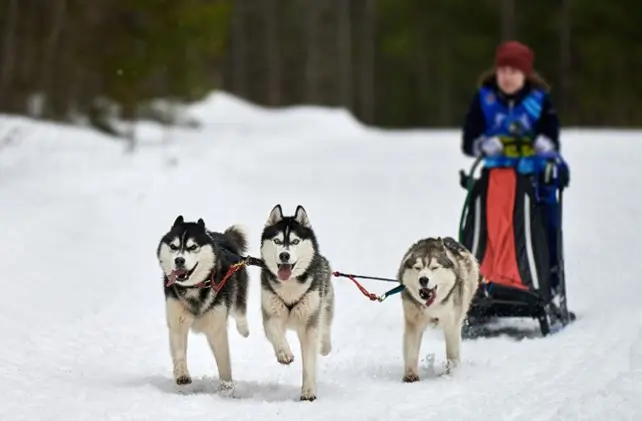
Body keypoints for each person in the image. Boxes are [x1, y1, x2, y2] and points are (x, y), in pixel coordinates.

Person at [460, 40, 569, 293]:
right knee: (491, 231)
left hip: (536, 181)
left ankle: (546, 286)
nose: (507, 77)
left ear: (525, 74)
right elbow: (469, 142)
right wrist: (482, 145)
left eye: (514, 71)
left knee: (547, 229)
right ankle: (485, 282)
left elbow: (552, 138)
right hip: (495, 180)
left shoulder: (539, 101)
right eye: (503, 71)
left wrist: (544, 144)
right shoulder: (484, 99)